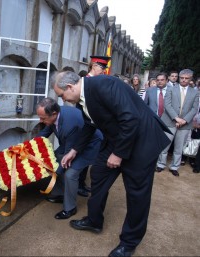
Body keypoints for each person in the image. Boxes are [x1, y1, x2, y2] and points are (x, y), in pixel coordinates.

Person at [51, 71, 171, 257]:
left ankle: (129, 243)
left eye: (62, 96)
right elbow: (90, 125)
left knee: (137, 194)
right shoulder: (83, 97)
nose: (63, 100)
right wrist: (74, 150)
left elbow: (130, 118)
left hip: (141, 142)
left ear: (70, 87)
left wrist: (118, 154)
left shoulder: (104, 84)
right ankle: (94, 220)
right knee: (98, 173)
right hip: (118, 138)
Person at [36, 97, 102, 219]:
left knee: (70, 174)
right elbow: (43, 135)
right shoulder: (53, 116)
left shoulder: (69, 125)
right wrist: (28, 148)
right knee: (54, 159)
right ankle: (60, 194)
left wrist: (54, 171)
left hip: (89, 146)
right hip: (71, 143)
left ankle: (70, 208)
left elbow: (67, 158)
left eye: (43, 118)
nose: (40, 121)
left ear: (54, 114)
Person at [77, 55, 110, 197]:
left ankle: (82, 183)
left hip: (95, 124)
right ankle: (78, 184)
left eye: (104, 68)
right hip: (85, 123)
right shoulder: (84, 82)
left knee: (90, 153)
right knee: (83, 153)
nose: (103, 71)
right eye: (102, 68)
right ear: (94, 65)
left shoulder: (97, 81)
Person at [158, 69, 199, 176]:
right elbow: (167, 105)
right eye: (182, 78)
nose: (184, 80)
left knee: (179, 148)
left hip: (185, 125)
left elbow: (194, 109)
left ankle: (174, 167)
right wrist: (176, 118)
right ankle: (161, 164)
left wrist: (184, 120)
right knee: (164, 145)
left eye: (187, 78)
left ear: (190, 79)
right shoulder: (171, 89)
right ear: (179, 77)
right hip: (169, 121)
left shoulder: (195, 92)